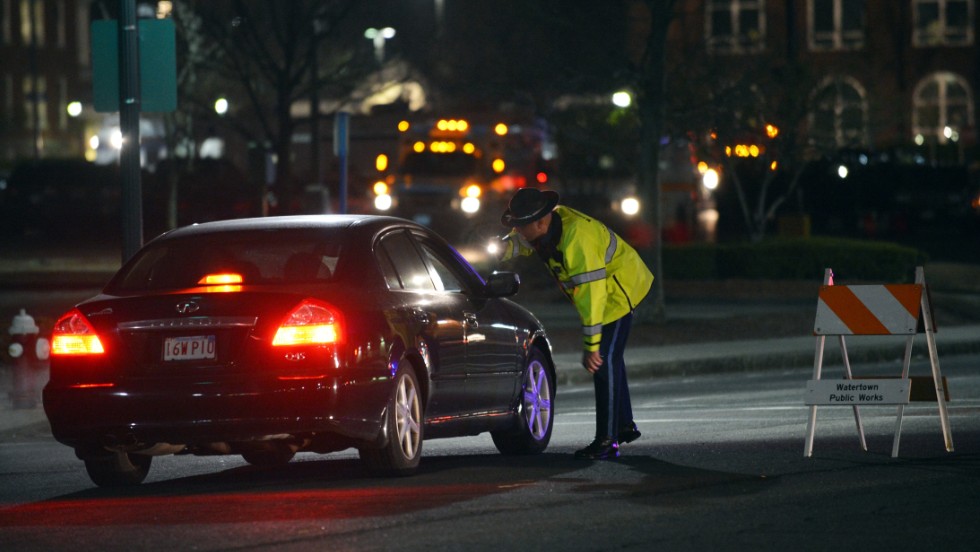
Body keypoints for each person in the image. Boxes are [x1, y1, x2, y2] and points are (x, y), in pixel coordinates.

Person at [498, 188, 654, 459]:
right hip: (608, 291)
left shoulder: (577, 240)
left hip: (618, 292)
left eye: (521, 226)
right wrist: (499, 247)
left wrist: (591, 346)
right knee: (612, 359)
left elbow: (593, 299)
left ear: (540, 222)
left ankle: (607, 441)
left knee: (603, 361)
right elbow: (519, 244)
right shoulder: (545, 227)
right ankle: (624, 425)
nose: (519, 232)